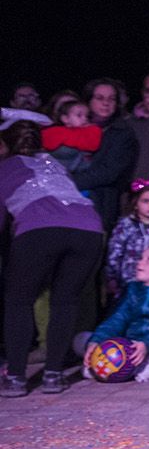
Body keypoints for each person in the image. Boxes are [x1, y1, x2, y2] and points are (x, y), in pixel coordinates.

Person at [0, 121, 106, 396]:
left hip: (40, 230)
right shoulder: (55, 163)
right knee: (65, 300)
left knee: (18, 300)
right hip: (89, 230)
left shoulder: (4, 167)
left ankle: (16, 377)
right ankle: (53, 375)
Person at [83, 244, 149, 382]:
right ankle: (148, 370)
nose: (140, 262)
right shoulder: (132, 289)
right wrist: (95, 341)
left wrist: (147, 343)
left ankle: (109, 368)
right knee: (82, 339)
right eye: (141, 258)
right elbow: (117, 319)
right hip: (127, 345)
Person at [73, 79, 140, 231]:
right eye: (100, 98)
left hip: (100, 206)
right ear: (88, 101)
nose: (106, 103)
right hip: (65, 204)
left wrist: (67, 181)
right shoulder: (73, 126)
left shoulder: (123, 133)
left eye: (112, 99)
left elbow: (108, 173)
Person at [104, 175, 149, 299]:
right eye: (146, 201)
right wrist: (111, 277)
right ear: (135, 204)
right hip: (127, 282)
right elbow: (114, 253)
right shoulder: (126, 225)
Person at [42, 96, 101, 175]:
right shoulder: (55, 131)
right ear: (65, 119)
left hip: (79, 173)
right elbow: (48, 144)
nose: (84, 119)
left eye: (87, 116)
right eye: (79, 115)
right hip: (53, 172)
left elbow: (92, 145)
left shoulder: (91, 130)